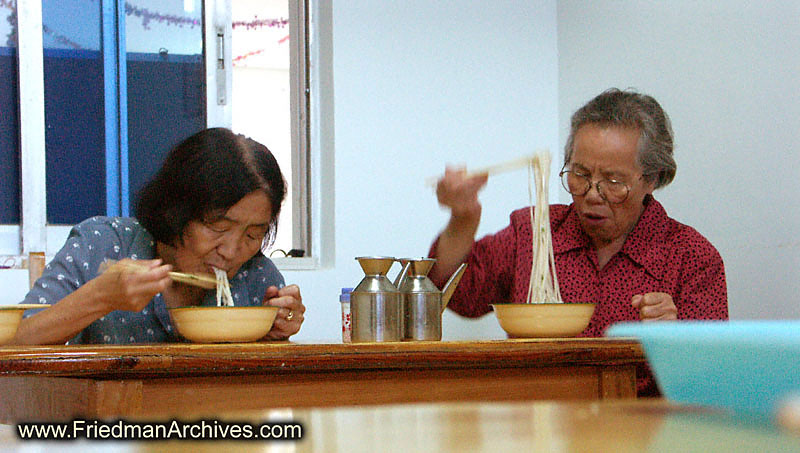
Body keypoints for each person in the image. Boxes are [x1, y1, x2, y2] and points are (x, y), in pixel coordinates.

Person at [428, 88, 728, 395]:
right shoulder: (535, 232)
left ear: (652, 178)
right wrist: (463, 219)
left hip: (640, 433)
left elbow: (713, 384)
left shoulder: (692, 257)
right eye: (580, 174)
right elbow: (456, 292)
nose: (592, 195)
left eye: (614, 181)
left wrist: (675, 340)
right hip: (538, 427)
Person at [12, 128, 305, 345]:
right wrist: (101, 297)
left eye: (253, 235)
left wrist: (276, 330)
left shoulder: (258, 279)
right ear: (175, 211)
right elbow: (15, 346)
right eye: (218, 226)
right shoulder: (101, 244)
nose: (231, 251)